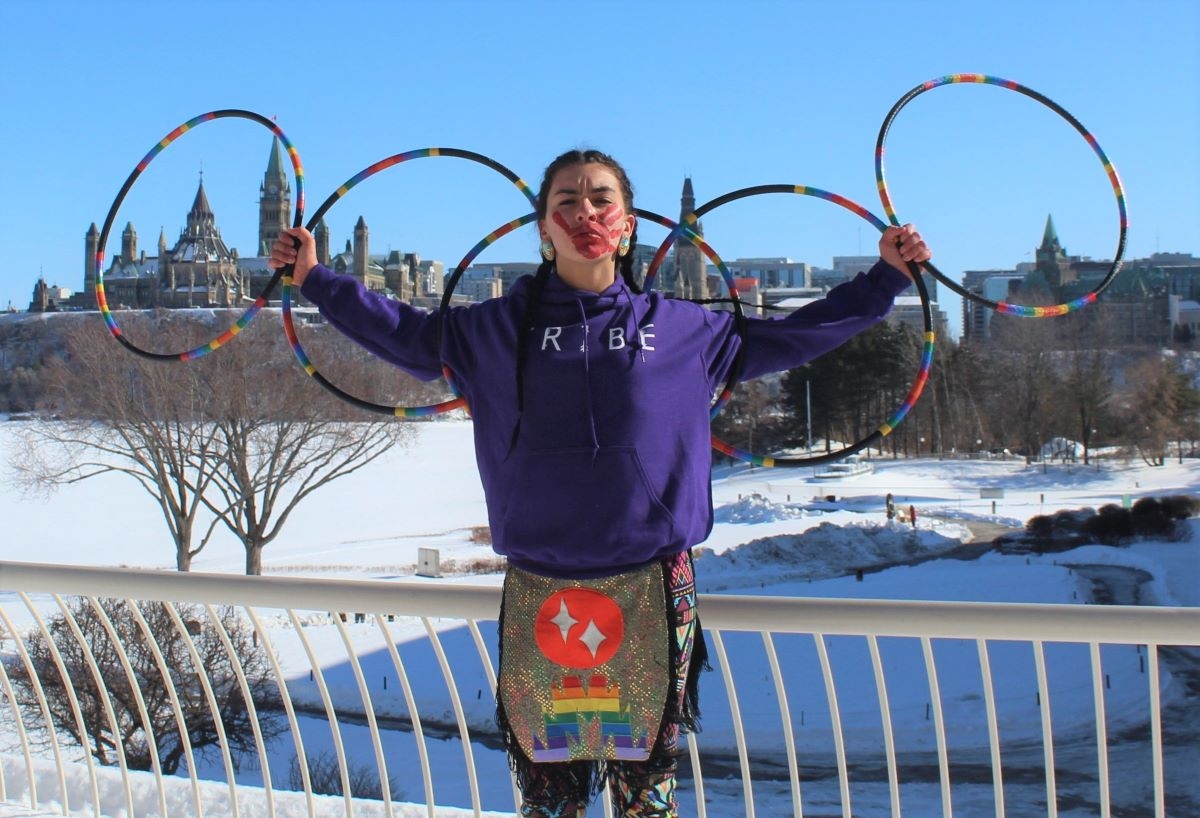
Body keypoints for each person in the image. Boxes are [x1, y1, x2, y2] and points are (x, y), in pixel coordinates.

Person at [269, 148, 930, 818]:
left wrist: (885, 277)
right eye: (567, 201)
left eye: (601, 199)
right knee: (549, 803)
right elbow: (400, 331)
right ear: (543, 228)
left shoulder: (684, 330)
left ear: (629, 224)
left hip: (653, 587)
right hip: (542, 588)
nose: (585, 213)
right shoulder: (491, 331)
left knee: (647, 802)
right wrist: (315, 277)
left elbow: (797, 333)